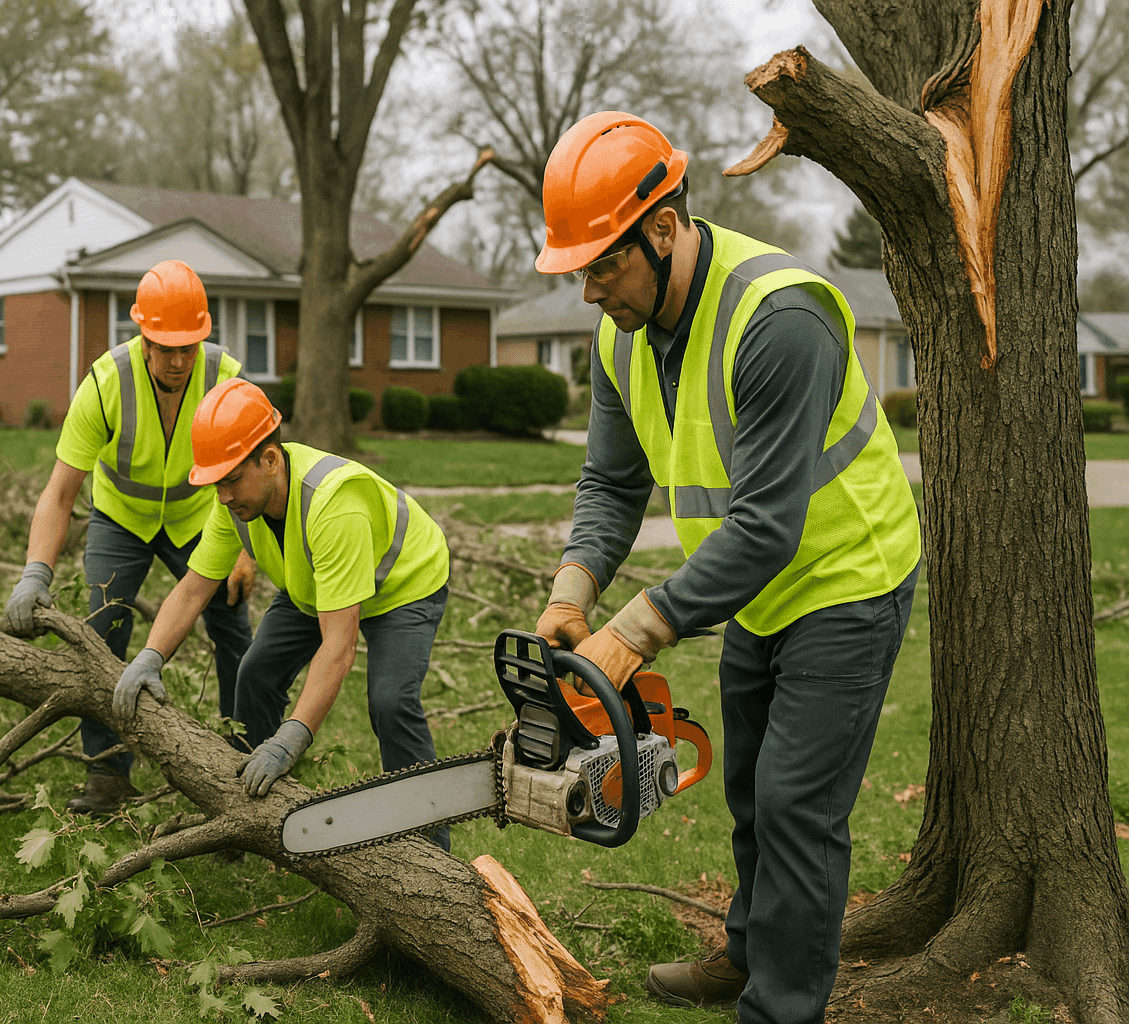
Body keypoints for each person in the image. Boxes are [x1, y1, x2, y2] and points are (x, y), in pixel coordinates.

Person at [530, 112, 921, 1024]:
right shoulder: (620, 333)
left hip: (844, 576)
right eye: (578, 269)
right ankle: (751, 953)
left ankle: (780, 1008)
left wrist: (634, 631)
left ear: (664, 227)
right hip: (749, 590)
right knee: (748, 786)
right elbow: (610, 480)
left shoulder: (780, 318)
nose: (590, 291)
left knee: (795, 806)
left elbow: (769, 525)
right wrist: (573, 588)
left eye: (604, 265)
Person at [113, 379, 454, 846]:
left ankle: (428, 846)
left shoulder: (334, 505)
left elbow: (338, 646)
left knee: (391, 701)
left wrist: (292, 737)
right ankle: (249, 814)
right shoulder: (236, 504)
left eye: (231, 480)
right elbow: (193, 589)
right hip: (314, 585)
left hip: (401, 586)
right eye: (216, 484)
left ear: (270, 459)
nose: (224, 497)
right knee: (253, 674)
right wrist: (149, 657)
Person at [4, 259, 255, 816]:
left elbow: (253, 475)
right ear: (142, 333)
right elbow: (60, 491)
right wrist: (35, 573)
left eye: (188, 347)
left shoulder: (226, 379)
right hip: (120, 519)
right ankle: (109, 775)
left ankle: (248, 762)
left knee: (234, 628)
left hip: (200, 518)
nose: (177, 360)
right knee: (103, 631)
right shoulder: (105, 382)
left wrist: (243, 545)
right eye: (165, 347)